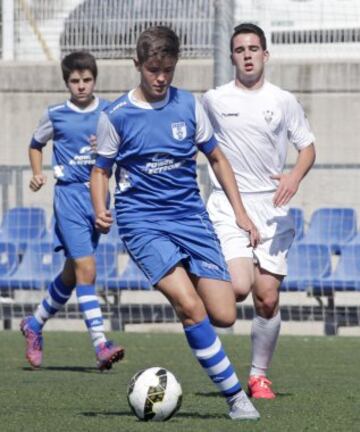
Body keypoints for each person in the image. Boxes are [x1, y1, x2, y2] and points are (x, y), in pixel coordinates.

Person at [91, 25, 260, 420]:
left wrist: (239, 211)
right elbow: (100, 172)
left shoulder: (188, 106)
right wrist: (101, 207)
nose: (161, 78)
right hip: (142, 222)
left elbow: (217, 158)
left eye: (168, 69)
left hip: (190, 217)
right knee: (189, 306)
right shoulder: (115, 116)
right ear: (138, 65)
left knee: (225, 313)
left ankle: (185, 284)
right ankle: (237, 398)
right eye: (153, 70)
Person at [202, 23, 316, 399]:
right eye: (240, 49)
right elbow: (197, 144)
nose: (247, 55)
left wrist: (294, 177)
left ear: (265, 55)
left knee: (266, 297)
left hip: (272, 207)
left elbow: (308, 148)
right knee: (238, 288)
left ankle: (258, 376)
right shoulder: (214, 100)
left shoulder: (283, 101)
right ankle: (194, 284)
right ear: (232, 56)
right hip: (228, 204)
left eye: (254, 48)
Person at [20, 51, 124, 371]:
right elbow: (35, 144)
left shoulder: (109, 111)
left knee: (73, 272)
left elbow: (122, 144)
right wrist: (38, 173)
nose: (81, 86)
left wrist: (107, 149)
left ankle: (35, 324)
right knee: (87, 269)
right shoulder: (56, 114)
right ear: (67, 83)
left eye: (87, 80)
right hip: (68, 199)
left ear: (95, 80)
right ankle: (100, 343)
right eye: (75, 81)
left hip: (98, 195)